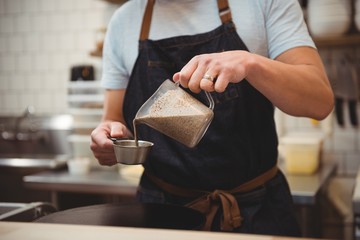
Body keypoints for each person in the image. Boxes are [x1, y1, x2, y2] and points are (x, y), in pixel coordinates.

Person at [90, 0, 334, 237]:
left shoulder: (263, 3)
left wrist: (251, 63)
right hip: (161, 213)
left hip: (256, 211)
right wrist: (109, 134)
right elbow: (114, 119)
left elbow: (320, 101)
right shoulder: (124, 21)